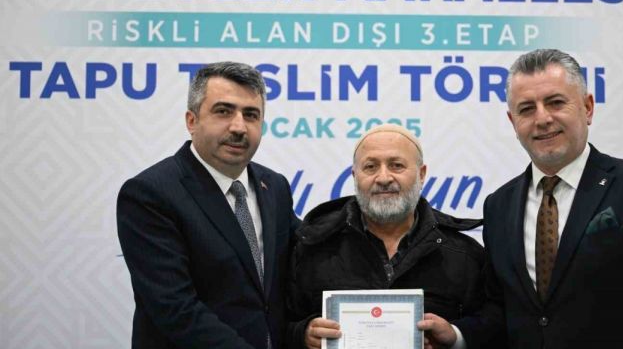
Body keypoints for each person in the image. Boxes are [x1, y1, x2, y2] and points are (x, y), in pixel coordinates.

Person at [418, 49, 623, 349]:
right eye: (527, 109)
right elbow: (501, 309)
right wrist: (457, 335)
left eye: (555, 103)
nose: (542, 119)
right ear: (513, 121)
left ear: (588, 108)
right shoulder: (499, 205)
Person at [117, 62, 300, 349]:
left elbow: (304, 261)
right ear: (192, 121)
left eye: (251, 115)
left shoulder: (274, 186)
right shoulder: (150, 194)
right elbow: (176, 309)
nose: (239, 127)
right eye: (223, 111)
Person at [287, 124, 492, 349]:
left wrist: (456, 336)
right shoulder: (313, 247)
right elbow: (277, 324)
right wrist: (302, 334)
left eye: (396, 165)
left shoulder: (464, 253)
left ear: (421, 174)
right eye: (370, 167)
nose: (383, 177)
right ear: (355, 176)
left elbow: (495, 326)